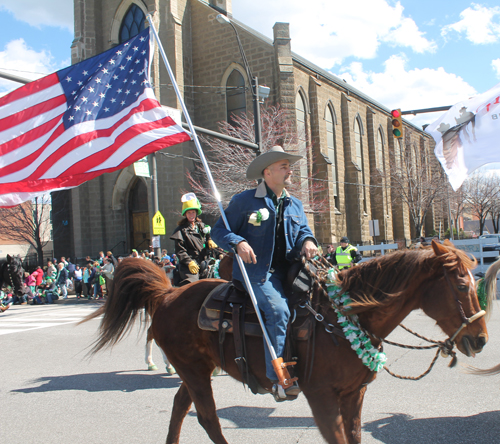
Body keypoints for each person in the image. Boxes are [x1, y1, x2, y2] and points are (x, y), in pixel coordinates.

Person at [211, 146, 318, 399]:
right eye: (284, 166)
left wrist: (308, 240)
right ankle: (277, 379)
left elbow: (303, 230)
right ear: (267, 172)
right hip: (258, 273)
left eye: (288, 166)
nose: (289, 170)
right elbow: (218, 231)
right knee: (279, 311)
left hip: (292, 272)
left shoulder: (295, 204)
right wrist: (238, 242)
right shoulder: (244, 201)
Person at [170, 193, 217, 286]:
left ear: (196, 213)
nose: (191, 215)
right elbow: (180, 251)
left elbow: (208, 236)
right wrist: (189, 262)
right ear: (185, 214)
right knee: (194, 286)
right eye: (189, 212)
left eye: (193, 212)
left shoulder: (201, 226)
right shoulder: (180, 231)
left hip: (204, 262)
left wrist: (210, 240)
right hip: (189, 265)